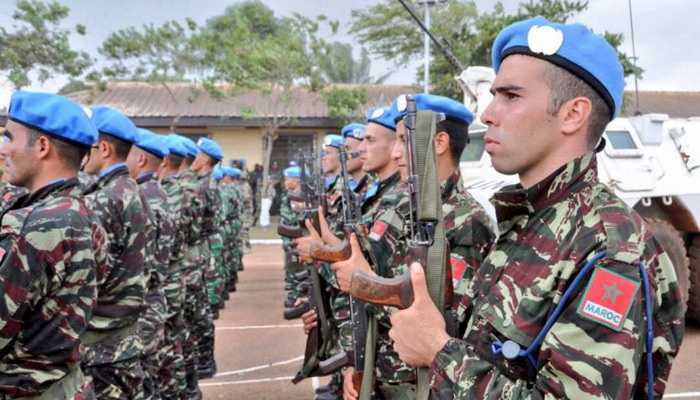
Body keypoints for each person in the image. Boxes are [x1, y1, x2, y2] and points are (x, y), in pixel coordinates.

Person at [388, 16, 684, 399]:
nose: (487, 114)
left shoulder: (611, 251)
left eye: (510, 96)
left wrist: (437, 351)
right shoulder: (531, 219)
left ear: (573, 114)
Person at [0, 91, 107, 398]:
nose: (3, 149)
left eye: (9, 138)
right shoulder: (84, 212)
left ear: (43, 146)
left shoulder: (36, 225)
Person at [82, 105, 152, 400]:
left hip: (102, 348)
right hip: (122, 338)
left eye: (89, 145)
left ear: (106, 148)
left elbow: (89, 277)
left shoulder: (104, 200)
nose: (84, 153)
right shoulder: (131, 191)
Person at [126, 129, 176, 399]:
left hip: (141, 304)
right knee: (152, 374)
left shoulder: (141, 197)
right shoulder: (161, 194)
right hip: (156, 297)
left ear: (141, 158)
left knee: (141, 380)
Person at [191, 137, 224, 377]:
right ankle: (204, 360)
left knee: (201, 309)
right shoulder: (204, 183)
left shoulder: (204, 186)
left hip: (202, 248)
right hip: (203, 247)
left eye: (195, 154)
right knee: (200, 307)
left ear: (203, 159)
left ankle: (205, 360)